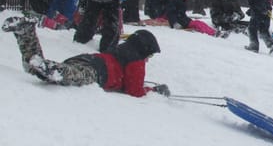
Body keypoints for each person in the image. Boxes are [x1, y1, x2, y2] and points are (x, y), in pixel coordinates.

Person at [2, 18, 169, 98]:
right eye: (150, 55)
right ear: (143, 50)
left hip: (87, 59)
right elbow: (135, 91)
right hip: (96, 72)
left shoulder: (121, 50)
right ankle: (49, 67)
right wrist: (154, 91)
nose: (148, 59)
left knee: (37, 69)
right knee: (66, 75)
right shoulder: (136, 61)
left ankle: (26, 34)